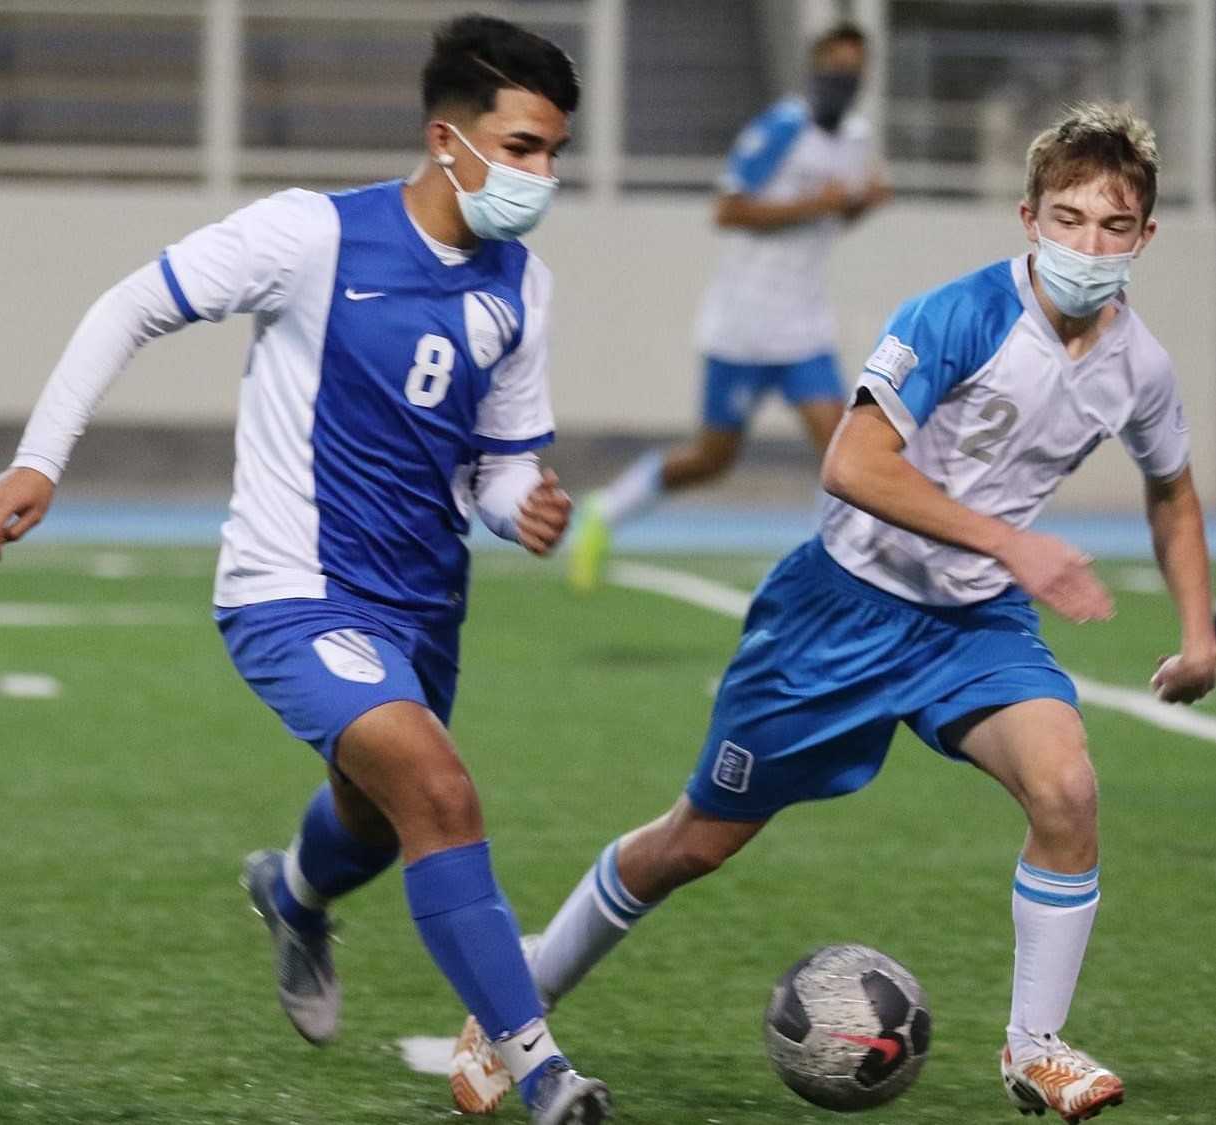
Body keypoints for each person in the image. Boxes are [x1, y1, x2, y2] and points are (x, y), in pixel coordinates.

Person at [453, 103, 1215, 1122]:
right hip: (838, 613)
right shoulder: (955, 317)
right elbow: (851, 463)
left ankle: (1036, 1050)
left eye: (1111, 228)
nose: (1087, 245)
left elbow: (1171, 490)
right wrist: (1013, 542)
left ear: (1144, 237)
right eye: (1067, 219)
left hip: (971, 629)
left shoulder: (1140, 368)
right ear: (1028, 218)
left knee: (1067, 788)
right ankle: (518, 998)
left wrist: (1200, 634)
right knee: (693, 843)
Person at [0, 15, 613, 1125]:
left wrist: (526, 508)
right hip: (289, 589)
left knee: (371, 820)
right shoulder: (310, 235)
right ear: (447, 139)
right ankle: (545, 1072)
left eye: (553, 152)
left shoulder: (524, 287)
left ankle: (294, 894)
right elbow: (128, 305)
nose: (540, 176)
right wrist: (38, 461)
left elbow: (502, 463)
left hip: (422, 604)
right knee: (442, 792)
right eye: (521, 149)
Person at [566, 21, 891, 591]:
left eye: (854, 69)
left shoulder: (857, 139)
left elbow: (835, 214)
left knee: (840, 446)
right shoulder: (782, 128)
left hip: (803, 326)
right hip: (743, 323)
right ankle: (606, 510)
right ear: (815, 71)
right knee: (713, 457)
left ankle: (832, 573)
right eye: (835, 67)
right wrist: (815, 204)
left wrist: (861, 207)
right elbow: (728, 210)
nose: (845, 79)